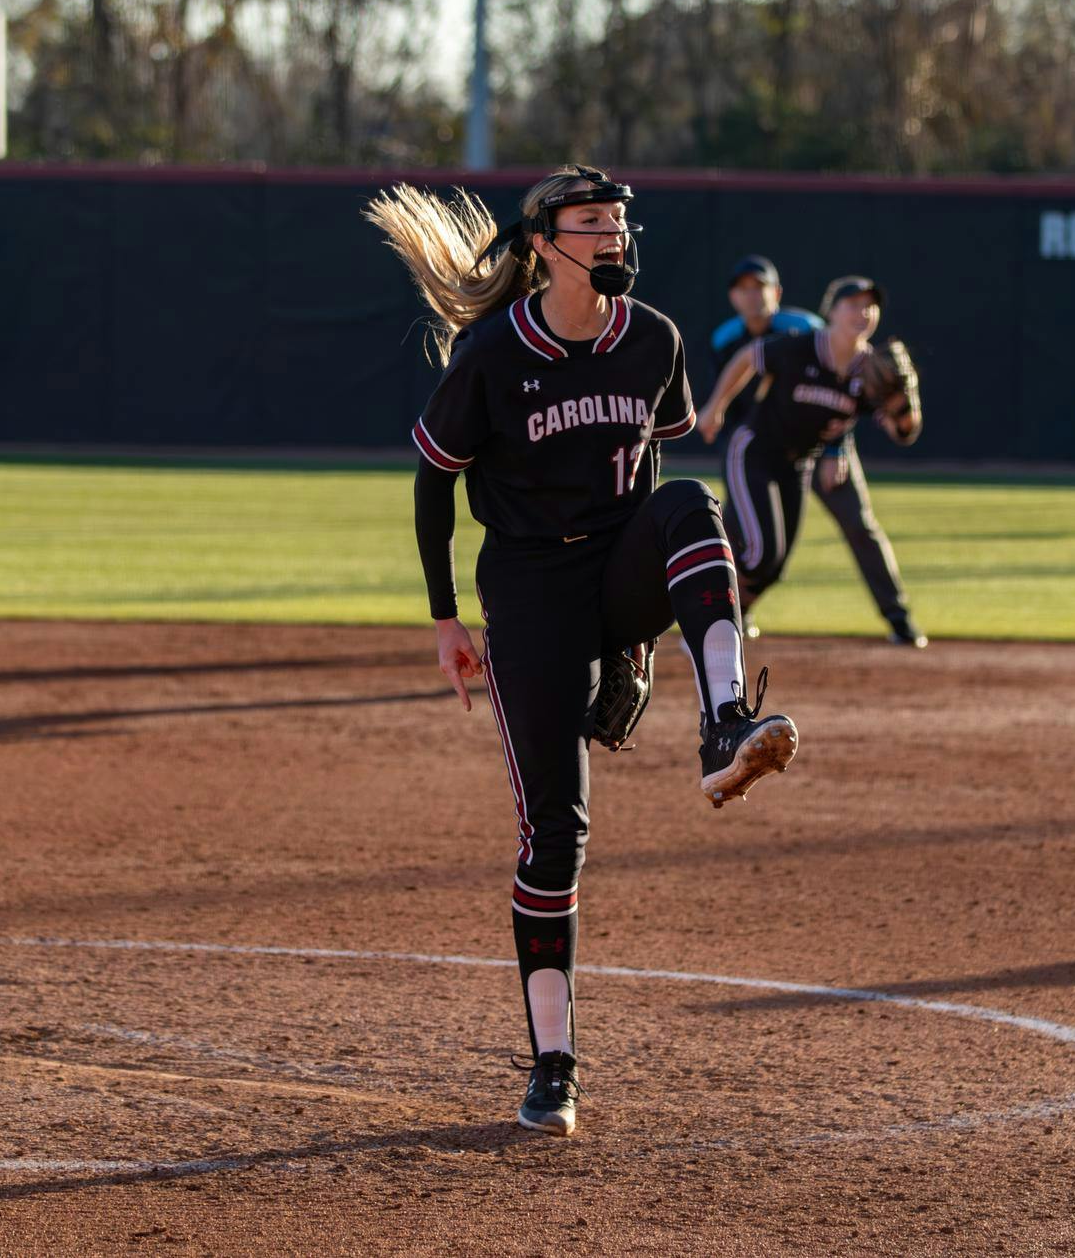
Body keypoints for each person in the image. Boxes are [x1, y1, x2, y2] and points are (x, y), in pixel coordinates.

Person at [365, 165, 799, 1139]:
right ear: (543, 243)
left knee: (690, 502)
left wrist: (636, 641)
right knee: (554, 838)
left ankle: (723, 722)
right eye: (590, 221)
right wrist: (444, 622)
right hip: (525, 593)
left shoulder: (653, 338)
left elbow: (650, 461)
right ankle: (551, 1064)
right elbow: (433, 487)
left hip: (610, 570)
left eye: (618, 220)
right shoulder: (491, 354)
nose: (611, 236)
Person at [697, 274, 926, 647]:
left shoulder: (873, 371)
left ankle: (730, 617)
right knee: (758, 553)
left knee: (774, 566)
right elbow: (748, 356)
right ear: (831, 312)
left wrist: (905, 401)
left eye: (869, 305)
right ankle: (705, 605)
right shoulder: (801, 347)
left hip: (800, 463)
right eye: (852, 304)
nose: (862, 312)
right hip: (756, 450)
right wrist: (715, 407)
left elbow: (904, 433)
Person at [709, 255, 825, 420]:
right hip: (749, 433)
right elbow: (719, 399)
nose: (751, 295)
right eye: (743, 288)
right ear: (732, 296)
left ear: (777, 293)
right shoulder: (723, 340)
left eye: (759, 287)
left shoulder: (807, 330)